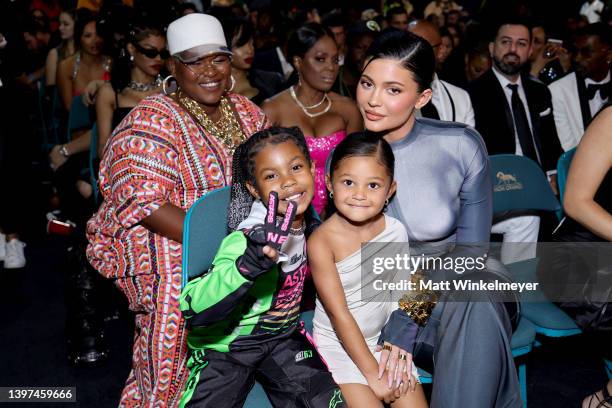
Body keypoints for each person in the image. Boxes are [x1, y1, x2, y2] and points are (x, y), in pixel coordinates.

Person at [86, 13, 268, 406]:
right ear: (172, 66)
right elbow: (144, 201)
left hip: (239, 234)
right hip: (176, 241)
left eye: (218, 58)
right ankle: (161, 394)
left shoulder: (248, 112)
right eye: (193, 60)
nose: (209, 70)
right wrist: (224, 251)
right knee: (178, 296)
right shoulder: (154, 117)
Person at [355, 29, 521, 407]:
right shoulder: (347, 161)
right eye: (367, 84)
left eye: (393, 90)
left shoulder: (460, 144)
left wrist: (411, 314)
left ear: (423, 97)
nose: (374, 100)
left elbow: (472, 252)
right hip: (387, 299)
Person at [179, 127, 345, 407]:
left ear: (312, 169)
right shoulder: (249, 237)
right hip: (228, 347)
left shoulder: (309, 223)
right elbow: (192, 305)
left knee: (327, 401)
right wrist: (246, 267)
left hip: (282, 338)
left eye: (295, 167)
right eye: (271, 176)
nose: (288, 182)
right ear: (254, 189)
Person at [309, 132, 427, 407]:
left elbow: (403, 295)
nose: (359, 195)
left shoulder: (394, 230)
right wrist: (373, 375)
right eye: (348, 182)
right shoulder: (322, 241)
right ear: (329, 183)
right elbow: (340, 315)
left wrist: (398, 345)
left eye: (373, 185)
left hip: (385, 341)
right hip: (340, 346)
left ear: (390, 190)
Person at [469, 18, 563, 263]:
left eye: (521, 44)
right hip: (499, 185)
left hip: (539, 183)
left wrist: (554, 175)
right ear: (492, 48)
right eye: (506, 42)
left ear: (530, 51)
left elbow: (551, 143)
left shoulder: (539, 91)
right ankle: (514, 293)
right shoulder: (473, 94)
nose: (513, 49)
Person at [263, 23, 362, 216]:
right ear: (298, 61)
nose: (330, 68)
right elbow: (262, 174)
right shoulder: (273, 110)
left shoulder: (347, 108)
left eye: (335, 60)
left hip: (342, 215)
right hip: (287, 218)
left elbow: (359, 169)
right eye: (320, 59)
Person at [94, 22, 166, 156]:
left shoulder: (170, 88)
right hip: (125, 164)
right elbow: (103, 147)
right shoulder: (109, 92)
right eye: (151, 52)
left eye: (163, 53)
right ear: (132, 49)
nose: (158, 59)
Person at [549, 23, 611, 151]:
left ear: (609, 55)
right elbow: (569, 149)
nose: (577, 58)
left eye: (586, 52)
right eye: (576, 51)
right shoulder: (558, 91)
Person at [408, 20, 474, 126]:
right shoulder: (388, 96)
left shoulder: (461, 99)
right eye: (405, 47)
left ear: (440, 51)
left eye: (421, 47)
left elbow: (467, 141)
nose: (410, 53)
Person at [217, 16, 284, 106]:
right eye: (241, 45)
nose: (250, 50)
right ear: (224, 47)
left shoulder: (271, 81)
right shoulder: (210, 89)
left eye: (252, 43)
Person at [56, 8, 110, 111]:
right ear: (79, 38)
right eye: (88, 36)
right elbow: (69, 108)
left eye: (98, 34)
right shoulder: (66, 66)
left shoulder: (111, 63)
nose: (95, 40)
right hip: (78, 123)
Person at [45, 9, 75, 88]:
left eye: (65, 24)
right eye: (60, 24)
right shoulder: (54, 53)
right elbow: (50, 91)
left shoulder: (83, 52)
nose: (60, 28)